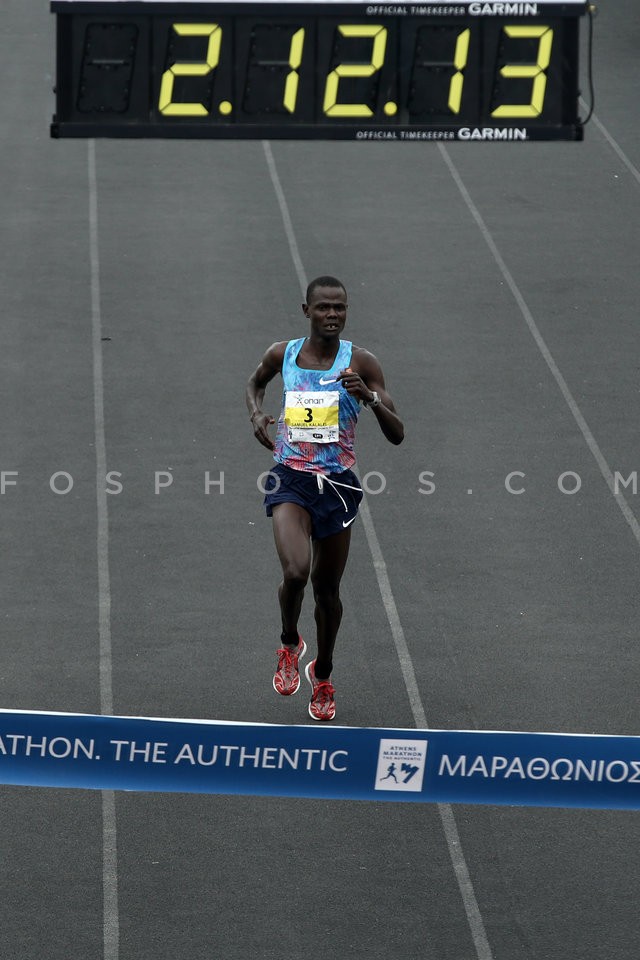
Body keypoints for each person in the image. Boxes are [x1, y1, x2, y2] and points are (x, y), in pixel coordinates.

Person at [246, 276, 404, 721]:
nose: (332, 315)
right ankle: (289, 643)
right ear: (306, 311)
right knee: (296, 572)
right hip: (290, 479)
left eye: (340, 308)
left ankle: (324, 673)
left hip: (337, 485)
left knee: (327, 591)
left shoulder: (363, 363)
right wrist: (257, 413)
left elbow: (398, 434)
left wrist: (370, 398)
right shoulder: (285, 354)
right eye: (323, 308)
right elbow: (254, 384)